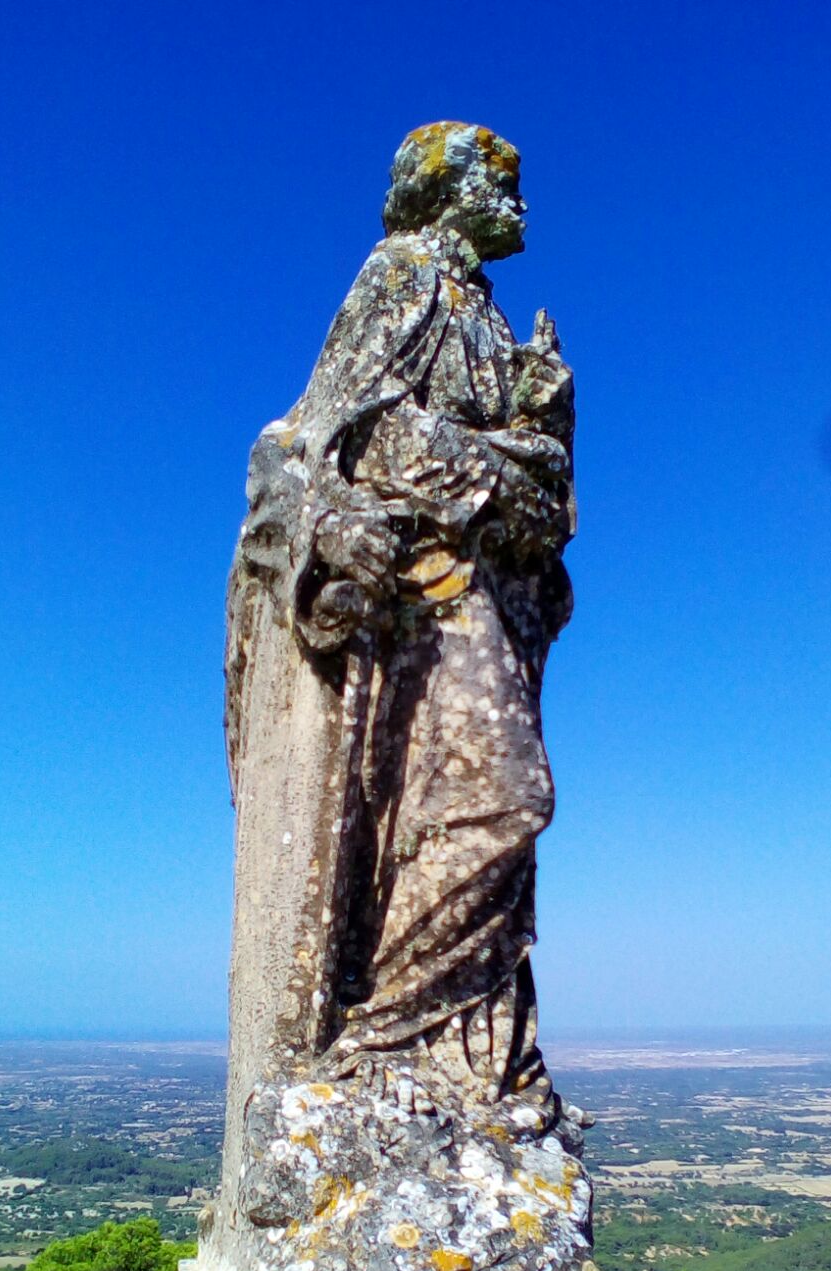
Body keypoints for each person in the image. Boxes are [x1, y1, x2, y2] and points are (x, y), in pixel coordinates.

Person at [226, 122, 575, 1128]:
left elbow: (550, 495)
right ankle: (389, 1031)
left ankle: (462, 1046)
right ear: (445, 192)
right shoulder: (403, 277)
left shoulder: (491, 319)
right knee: (504, 799)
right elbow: (358, 436)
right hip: (422, 598)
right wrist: (503, 466)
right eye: (498, 182)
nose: (518, 203)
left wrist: (540, 428)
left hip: (478, 593)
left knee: (468, 815)